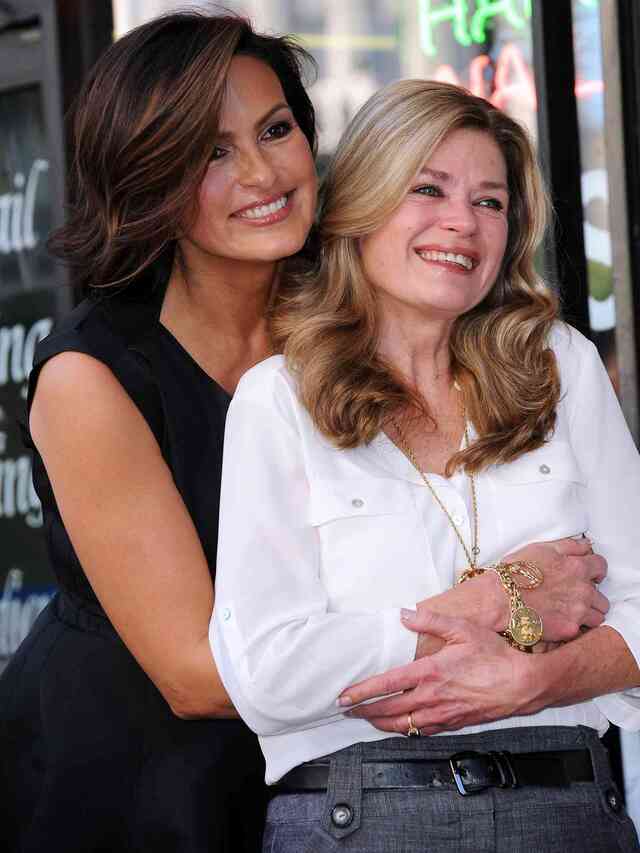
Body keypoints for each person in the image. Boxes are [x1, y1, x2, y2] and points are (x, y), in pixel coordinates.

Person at [211, 79, 640, 852]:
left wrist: (534, 680)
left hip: (567, 808)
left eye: (489, 201)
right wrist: (499, 601)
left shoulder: (560, 367)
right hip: (362, 815)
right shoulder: (277, 399)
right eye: (427, 188)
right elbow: (269, 674)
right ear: (362, 204)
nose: (461, 223)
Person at [0, 12, 318, 853]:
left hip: (321, 774)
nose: (261, 172)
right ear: (148, 181)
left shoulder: (349, 327)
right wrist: (461, 642)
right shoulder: (90, 378)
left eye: (276, 129)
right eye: (211, 152)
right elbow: (196, 674)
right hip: (129, 784)